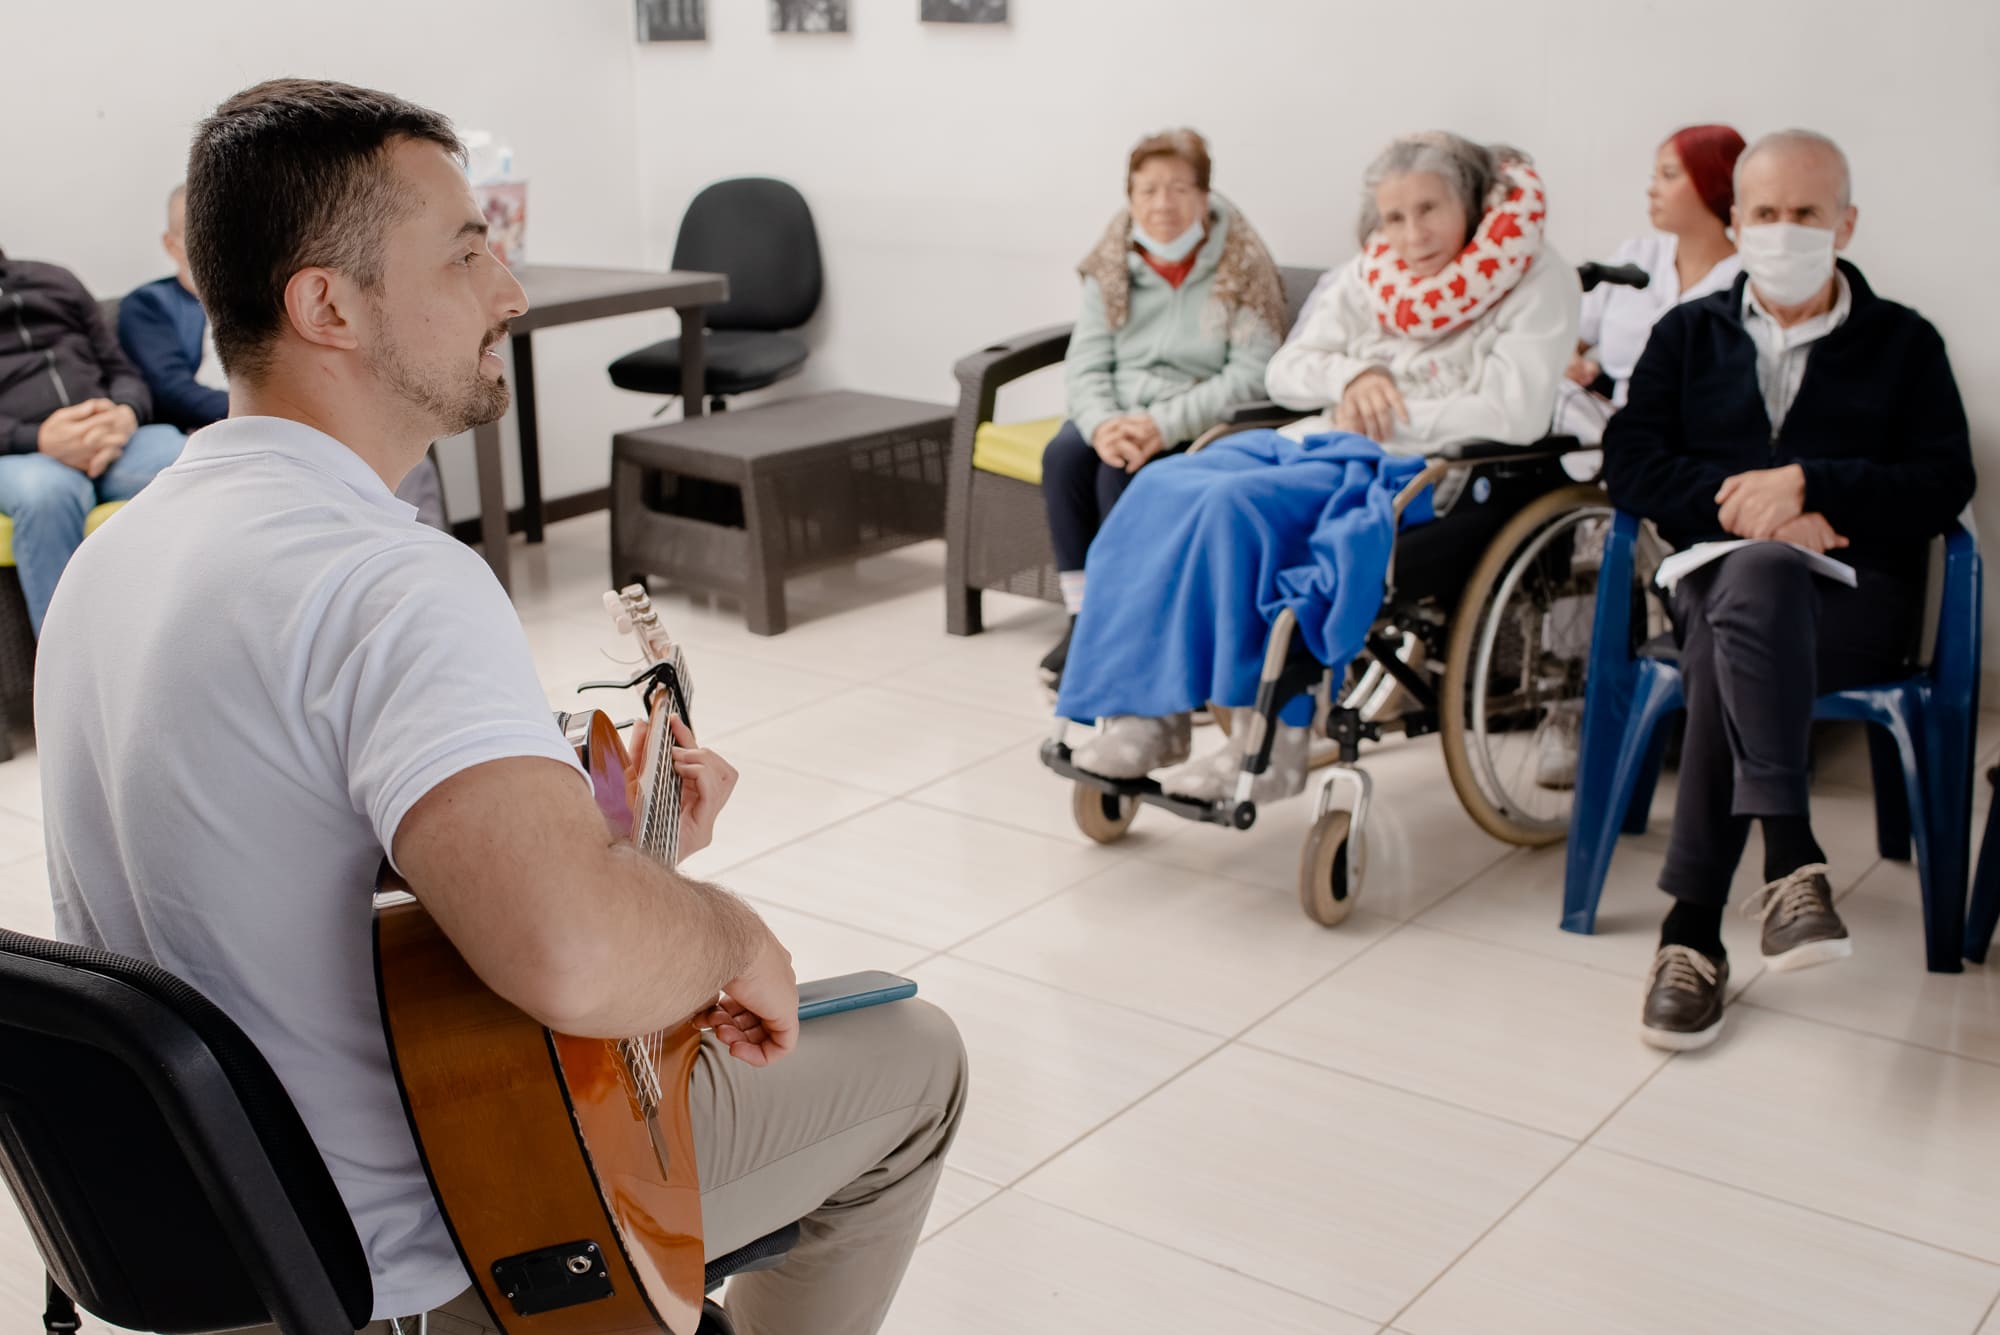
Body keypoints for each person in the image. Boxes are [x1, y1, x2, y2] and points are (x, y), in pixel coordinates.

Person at [39, 79, 965, 1335]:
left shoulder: (114, 557)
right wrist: (727, 930)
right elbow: (572, 960)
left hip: (220, 1227)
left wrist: (617, 837)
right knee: (919, 1063)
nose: (510, 293)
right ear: (328, 304)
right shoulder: (389, 579)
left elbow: (278, 840)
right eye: (469, 251)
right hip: (449, 1208)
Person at [1059, 131, 1578, 802]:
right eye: (1394, 216)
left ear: (1474, 206)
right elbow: (1287, 368)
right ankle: (1145, 717)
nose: (1412, 233)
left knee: (1234, 510)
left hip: (1425, 470)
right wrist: (1353, 373)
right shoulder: (1373, 272)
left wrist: (1386, 409)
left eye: (1430, 209)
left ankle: (1267, 740)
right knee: (1159, 485)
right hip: (1319, 439)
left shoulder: (1535, 276)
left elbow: (1517, 412)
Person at [1604, 129, 1975, 1051]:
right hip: (1715, 581)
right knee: (1754, 579)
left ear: (1845, 222)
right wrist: (1751, 515)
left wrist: (1812, 485)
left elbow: (1943, 482)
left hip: (1853, 602)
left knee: (1734, 631)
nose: (1783, 229)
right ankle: (1790, 860)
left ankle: (1691, 932)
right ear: (1734, 222)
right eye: (1764, 213)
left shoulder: (1905, 342)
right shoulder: (1686, 333)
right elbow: (1631, 462)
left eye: (1805, 213)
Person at [1038, 127, 1287, 689]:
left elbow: (1251, 375)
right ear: (1130, 198)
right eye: (1147, 190)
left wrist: (1162, 424)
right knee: (1066, 456)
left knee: (1119, 474)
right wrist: (1103, 424)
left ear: (1204, 196)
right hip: (1118, 413)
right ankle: (1085, 620)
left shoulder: (1242, 267)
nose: (1162, 204)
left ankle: (1134, 631)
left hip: (1196, 420)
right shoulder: (1110, 267)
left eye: (1178, 188)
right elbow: (1086, 363)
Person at [120, 182, 450, 528]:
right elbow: (170, 388)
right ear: (171, 245)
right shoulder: (149, 306)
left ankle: (426, 564)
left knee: (403, 456)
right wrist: (270, 412)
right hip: (218, 431)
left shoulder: (274, 296)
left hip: (307, 422)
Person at [0, 249, 185, 636]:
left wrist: (125, 414)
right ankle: (71, 683)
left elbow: (121, 369)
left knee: (191, 460)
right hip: (21, 455)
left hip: (115, 440)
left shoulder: (54, 280)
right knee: (47, 494)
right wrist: (36, 438)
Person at [1554, 125, 1745, 444]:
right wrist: (1568, 361)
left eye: (1668, 175)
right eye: (1654, 177)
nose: (1652, 190)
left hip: (1698, 438)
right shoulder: (1638, 256)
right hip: (1611, 428)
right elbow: (1569, 336)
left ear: (1713, 180)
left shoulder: (1747, 279)